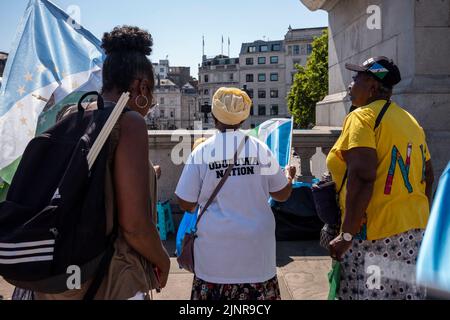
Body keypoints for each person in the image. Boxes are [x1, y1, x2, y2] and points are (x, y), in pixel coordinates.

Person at [33, 26, 171, 300]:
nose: (151, 102)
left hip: (61, 276)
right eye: (151, 93)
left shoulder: (73, 114)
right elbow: (134, 226)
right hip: (111, 278)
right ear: (142, 86)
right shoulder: (129, 121)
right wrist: (163, 262)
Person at [327, 56, 434, 300]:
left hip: (374, 238)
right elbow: (428, 174)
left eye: (356, 79)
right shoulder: (411, 121)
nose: (350, 84)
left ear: (372, 87)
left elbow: (363, 178)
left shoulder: (362, 117)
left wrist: (346, 236)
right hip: (413, 236)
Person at [175, 87, 296, 300]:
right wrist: (289, 178)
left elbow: (185, 202)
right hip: (257, 255)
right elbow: (281, 194)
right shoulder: (261, 149)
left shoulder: (202, 151)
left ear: (213, 116)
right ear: (243, 118)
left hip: (214, 257)